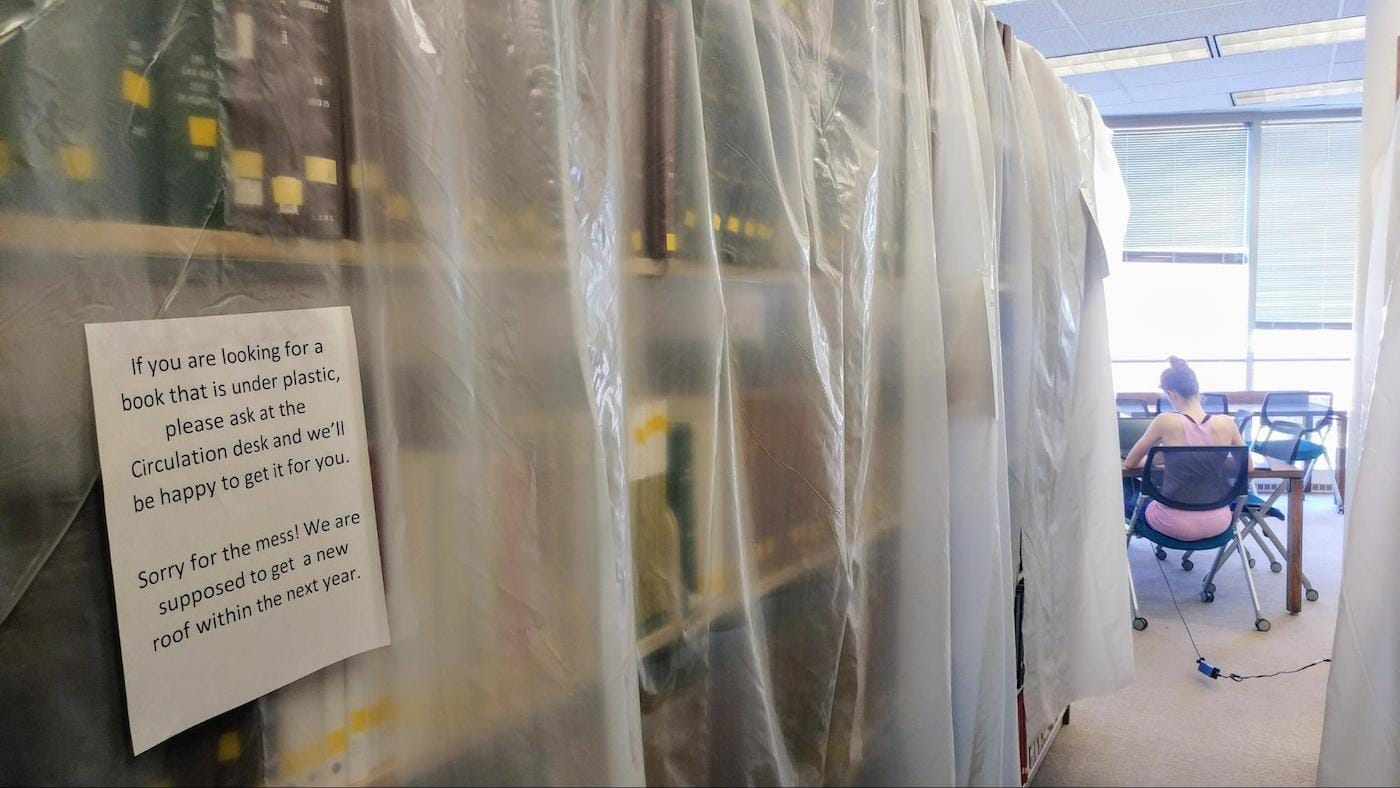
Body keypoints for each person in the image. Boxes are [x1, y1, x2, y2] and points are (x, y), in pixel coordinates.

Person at [1123, 357, 1247, 541]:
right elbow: (1248, 466)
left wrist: (1158, 459)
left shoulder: (1165, 421)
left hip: (1173, 524)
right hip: (1219, 521)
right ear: (1196, 390)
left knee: (1127, 488)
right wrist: (1214, 460)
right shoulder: (1227, 423)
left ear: (1171, 393)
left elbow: (1130, 463)